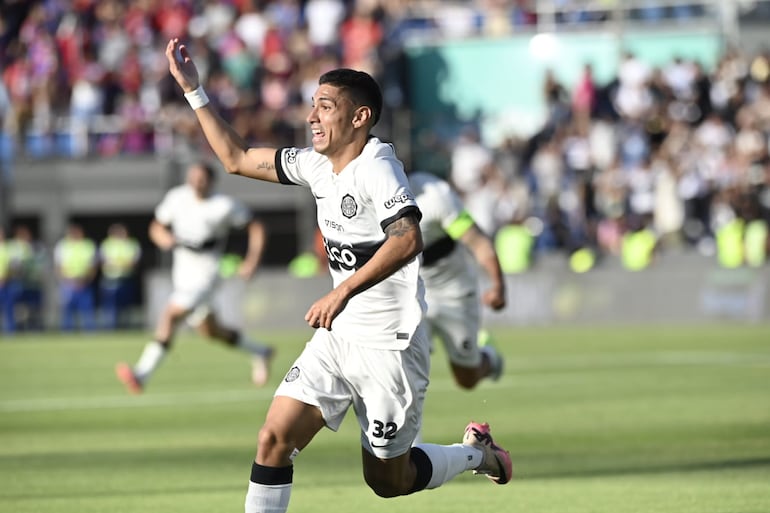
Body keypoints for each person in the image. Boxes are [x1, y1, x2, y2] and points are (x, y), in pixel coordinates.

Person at [164, 38, 512, 513]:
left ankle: (477, 454)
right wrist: (195, 92)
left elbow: (407, 239)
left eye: (325, 107)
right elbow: (237, 158)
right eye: (312, 105)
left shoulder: (378, 166)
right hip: (337, 339)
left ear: (359, 117)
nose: (312, 117)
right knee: (273, 439)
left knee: (389, 481)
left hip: (390, 346)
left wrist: (342, 291)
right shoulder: (315, 165)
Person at [114, 161, 274, 394]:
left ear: (211, 181)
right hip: (182, 272)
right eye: (193, 177)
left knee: (170, 314)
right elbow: (156, 227)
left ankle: (141, 374)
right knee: (210, 331)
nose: (196, 182)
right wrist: (163, 239)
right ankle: (261, 352)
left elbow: (256, 227)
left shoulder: (224, 205)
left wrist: (252, 260)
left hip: (206, 273)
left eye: (201, 178)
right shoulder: (177, 198)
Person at [407, 171, 506, 390]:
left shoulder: (436, 197)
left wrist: (498, 286)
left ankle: (490, 357)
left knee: (466, 379)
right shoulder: (368, 199)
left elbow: (479, 243)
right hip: (412, 296)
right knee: (405, 365)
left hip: (454, 292)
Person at [54, 222, 98, 331]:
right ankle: (67, 332)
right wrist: (67, 281)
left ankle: (89, 332)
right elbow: (59, 266)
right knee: (67, 311)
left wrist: (86, 280)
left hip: (84, 283)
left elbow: (93, 265)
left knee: (87, 311)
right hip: (68, 283)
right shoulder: (63, 246)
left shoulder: (88, 245)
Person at [99, 223, 142, 330]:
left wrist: (117, 264)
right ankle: (110, 328)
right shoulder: (107, 244)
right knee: (111, 306)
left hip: (126, 279)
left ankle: (126, 327)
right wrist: (121, 264)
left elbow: (134, 262)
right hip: (111, 279)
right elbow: (103, 261)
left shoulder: (132, 244)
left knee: (126, 306)